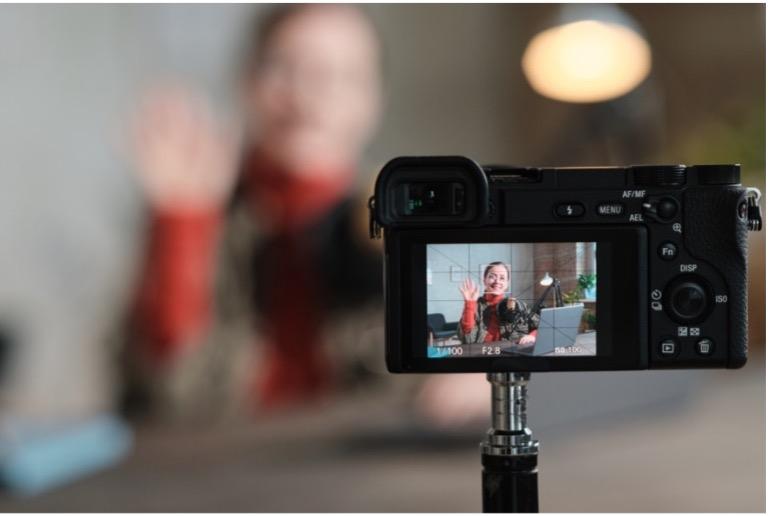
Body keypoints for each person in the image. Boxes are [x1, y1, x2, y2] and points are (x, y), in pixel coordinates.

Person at [125, 4, 384, 417]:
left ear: (372, 100)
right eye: (285, 67)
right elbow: (161, 392)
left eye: (337, 75)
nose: (305, 95)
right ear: (247, 81)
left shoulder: (392, 224)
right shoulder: (199, 211)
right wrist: (180, 228)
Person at [457, 262, 539, 350]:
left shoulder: (519, 305)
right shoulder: (474, 305)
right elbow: (467, 338)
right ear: (484, 280)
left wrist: (533, 336)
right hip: (482, 353)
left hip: (513, 353)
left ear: (507, 284)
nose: (497, 281)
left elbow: (544, 326)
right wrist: (469, 303)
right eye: (492, 277)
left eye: (502, 278)